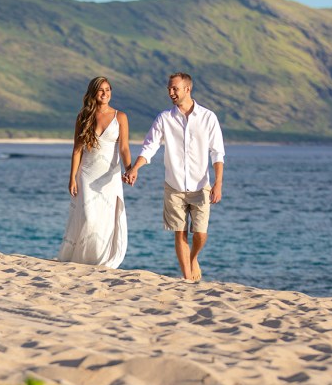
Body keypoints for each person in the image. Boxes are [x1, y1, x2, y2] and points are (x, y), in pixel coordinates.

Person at [124, 72, 224, 282]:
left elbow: (217, 152)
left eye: (174, 89)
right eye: (169, 89)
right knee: (180, 233)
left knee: (200, 234)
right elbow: (150, 147)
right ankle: (187, 279)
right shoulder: (164, 118)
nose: (170, 93)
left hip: (201, 185)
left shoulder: (208, 117)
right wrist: (135, 168)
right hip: (174, 186)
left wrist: (218, 183)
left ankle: (193, 257)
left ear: (187, 89)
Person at [57, 76, 132, 268]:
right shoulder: (83, 117)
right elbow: (77, 150)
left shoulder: (120, 117)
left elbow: (123, 148)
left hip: (110, 176)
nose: (105, 94)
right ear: (93, 93)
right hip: (87, 174)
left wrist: (129, 168)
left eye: (108, 89)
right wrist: (72, 177)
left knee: (105, 220)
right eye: (101, 90)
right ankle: (83, 259)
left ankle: (100, 262)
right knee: (89, 218)